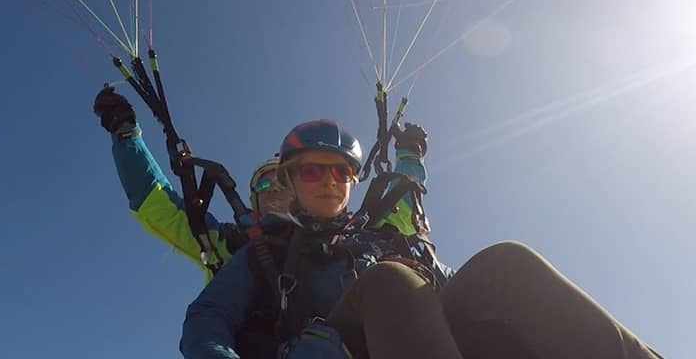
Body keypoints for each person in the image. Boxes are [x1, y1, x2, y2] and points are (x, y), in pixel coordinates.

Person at [181, 120, 664, 359]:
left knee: (504, 265)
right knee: (389, 282)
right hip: (337, 346)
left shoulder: (379, 236)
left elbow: (446, 286)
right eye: (312, 171)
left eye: (341, 173)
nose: (329, 181)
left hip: (423, 338)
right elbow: (207, 318)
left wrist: (411, 153)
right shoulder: (269, 252)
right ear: (291, 181)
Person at [93, 85, 293, 280]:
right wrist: (125, 131)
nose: (273, 190)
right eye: (263, 186)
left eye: (282, 183)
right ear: (254, 201)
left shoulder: (322, 241)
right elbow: (156, 202)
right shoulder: (227, 244)